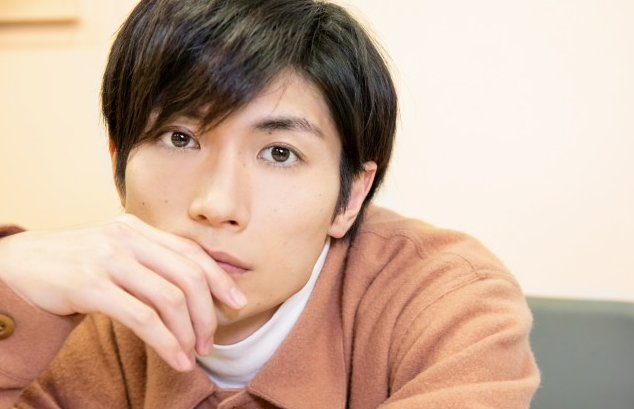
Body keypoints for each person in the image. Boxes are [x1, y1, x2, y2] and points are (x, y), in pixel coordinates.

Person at [0, 0, 539, 407]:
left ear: (351, 195)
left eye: (279, 153)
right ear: (119, 160)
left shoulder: (444, 301)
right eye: (180, 138)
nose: (217, 204)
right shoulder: (75, 318)